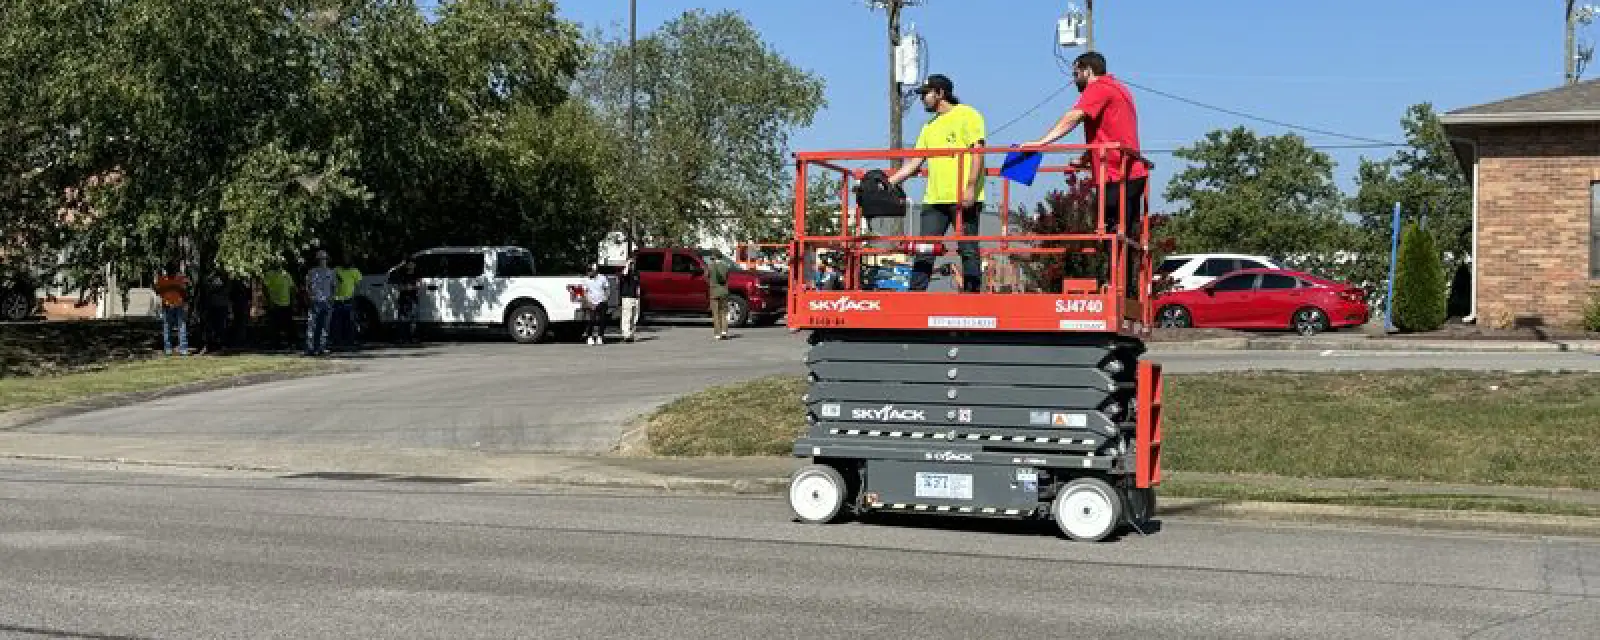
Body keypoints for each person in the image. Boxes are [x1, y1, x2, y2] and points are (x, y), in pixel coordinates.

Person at [1025, 51, 1148, 295]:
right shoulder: (1119, 88)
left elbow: (1074, 117)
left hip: (1117, 174)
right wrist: (1085, 159)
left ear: (1087, 71)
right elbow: (1111, 130)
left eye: (1075, 74)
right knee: (1120, 234)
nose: (1074, 80)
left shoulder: (1099, 88)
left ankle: (1117, 287)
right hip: (1130, 172)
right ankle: (1124, 288)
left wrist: (1041, 143)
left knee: (1111, 232)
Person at [884, 73, 987, 292]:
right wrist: (888, 182)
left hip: (963, 197)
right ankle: (916, 296)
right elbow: (914, 163)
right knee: (924, 249)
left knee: (968, 249)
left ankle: (973, 298)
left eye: (925, 94)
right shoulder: (929, 127)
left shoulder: (967, 115)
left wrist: (970, 187)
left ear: (940, 93)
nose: (922, 99)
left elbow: (978, 152)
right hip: (935, 198)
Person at [304, 250, 336, 356]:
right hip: (315, 301)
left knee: (325, 326)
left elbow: (333, 287)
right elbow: (307, 286)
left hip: (326, 302)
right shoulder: (312, 272)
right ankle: (310, 348)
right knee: (312, 325)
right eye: (320, 259)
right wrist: (310, 297)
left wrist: (331, 299)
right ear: (317, 260)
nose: (323, 261)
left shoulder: (331, 272)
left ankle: (322, 347)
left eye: (324, 258)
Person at [154, 261, 190, 356]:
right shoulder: (173, 279)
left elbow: (186, 290)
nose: (171, 271)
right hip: (170, 305)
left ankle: (175, 348)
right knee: (174, 326)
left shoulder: (178, 278)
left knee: (174, 327)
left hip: (176, 304)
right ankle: (175, 349)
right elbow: (158, 291)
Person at [261, 260, 296, 349]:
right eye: (277, 262)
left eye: (280, 263)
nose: (279, 264)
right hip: (274, 303)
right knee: (275, 326)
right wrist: (269, 301)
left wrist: (292, 302)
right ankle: (275, 344)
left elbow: (292, 288)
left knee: (289, 325)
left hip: (286, 303)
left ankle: (291, 343)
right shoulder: (269, 274)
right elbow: (264, 288)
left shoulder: (286, 274)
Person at [332, 258, 363, 351]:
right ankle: (337, 341)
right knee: (337, 322)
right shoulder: (336, 270)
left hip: (349, 300)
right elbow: (331, 282)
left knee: (350, 321)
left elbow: (359, 285)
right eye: (345, 260)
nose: (346, 261)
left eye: (348, 260)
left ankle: (350, 341)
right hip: (337, 300)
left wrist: (356, 298)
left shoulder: (355, 271)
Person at [390, 259, 420, 344]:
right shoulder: (402, 275)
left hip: (413, 299)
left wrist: (409, 287)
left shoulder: (416, 275)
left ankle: (412, 337)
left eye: (412, 264)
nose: (411, 266)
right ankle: (402, 337)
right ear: (406, 265)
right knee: (402, 319)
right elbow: (399, 286)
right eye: (409, 264)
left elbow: (418, 286)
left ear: (414, 265)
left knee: (413, 319)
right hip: (403, 299)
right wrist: (400, 265)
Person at [581, 264, 610, 345]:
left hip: (601, 301)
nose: (589, 273)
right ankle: (589, 336)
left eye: (590, 271)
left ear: (595, 271)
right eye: (588, 271)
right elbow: (584, 293)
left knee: (602, 320)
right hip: (591, 302)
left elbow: (607, 288)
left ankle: (600, 336)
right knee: (591, 320)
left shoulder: (602, 278)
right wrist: (589, 303)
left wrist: (606, 298)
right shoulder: (585, 279)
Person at [707, 254, 732, 340]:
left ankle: (717, 334)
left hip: (714, 292)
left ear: (714, 257)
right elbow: (726, 278)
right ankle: (724, 332)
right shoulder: (726, 266)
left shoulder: (710, 266)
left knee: (716, 313)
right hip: (724, 292)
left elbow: (706, 276)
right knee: (723, 313)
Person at [617, 258, 642, 343]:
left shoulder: (636, 273)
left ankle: (631, 334)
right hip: (627, 297)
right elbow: (624, 275)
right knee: (627, 316)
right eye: (631, 263)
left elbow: (638, 284)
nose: (632, 265)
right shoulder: (625, 273)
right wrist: (627, 265)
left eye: (633, 263)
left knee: (635, 317)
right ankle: (626, 335)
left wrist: (638, 295)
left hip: (635, 297)